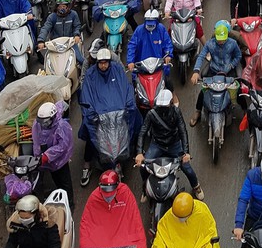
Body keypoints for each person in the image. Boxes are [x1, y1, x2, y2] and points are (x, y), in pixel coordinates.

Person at [78, 48, 140, 185]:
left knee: (130, 129)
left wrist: (128, 107)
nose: (103, 65)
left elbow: (126, 88)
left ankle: (131, 154)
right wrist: (92, 114)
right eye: (101, 63)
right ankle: (87, 165)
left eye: (106, 62)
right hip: (99, 118)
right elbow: (87, 96)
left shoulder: (118, 70)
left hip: (118, 116)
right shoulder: (90, 74)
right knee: (89, 135)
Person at [135, 90, 204, 200]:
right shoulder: (151, 114)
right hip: (157, 144)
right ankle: (145, 188)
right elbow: (143, 132)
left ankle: (196, 186)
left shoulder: (176, 112)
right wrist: (139, 153)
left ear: (171, 103)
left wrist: (186, 152)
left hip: (174, 144)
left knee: (187, 168)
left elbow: (183, 131)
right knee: (143, 167)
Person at [189, 22, 242, 126]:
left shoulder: (233, 43)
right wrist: (196, 71)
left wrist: (231, 65)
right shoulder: (210, 44)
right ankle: (198, 111)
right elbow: (201, 56)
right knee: (203, 91)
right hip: (213, 71)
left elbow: (238, 56)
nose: (221, 41)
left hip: (228, 71)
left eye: (223, 39)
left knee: (239, 92)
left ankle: (245, 112)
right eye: (219, 39)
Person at [32, 101, 76, 210]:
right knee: (56, 179)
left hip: (59, 161)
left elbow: (62, 146)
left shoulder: (62, 126)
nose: (43, 124)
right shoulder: (38, 124)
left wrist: (47, 155)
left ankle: (69, 204)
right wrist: (39, 155)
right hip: (45, 159)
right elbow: (36, 139)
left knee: (65, 182)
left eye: (45, 122)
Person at [37, 0, 84, 65]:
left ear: (68, 7)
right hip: (56, 45)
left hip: (70, 43)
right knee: (49, 64)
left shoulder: (73, 15)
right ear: (56, 7)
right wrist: (41, 41)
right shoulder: (52, 17)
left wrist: (76, 35)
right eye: (60, 6)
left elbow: (77, 26)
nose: (62, 8)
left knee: (81, 60)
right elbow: (45, 28)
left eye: (64, 6)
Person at [127, 9, 173, 74]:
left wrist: (168, 55)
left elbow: (167, 43)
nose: (150, 26)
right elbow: (132, 46)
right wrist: (130, 61)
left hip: (159, 65)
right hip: (142, 66)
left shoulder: (161, 29)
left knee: (167, 82)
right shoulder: (139, 30)